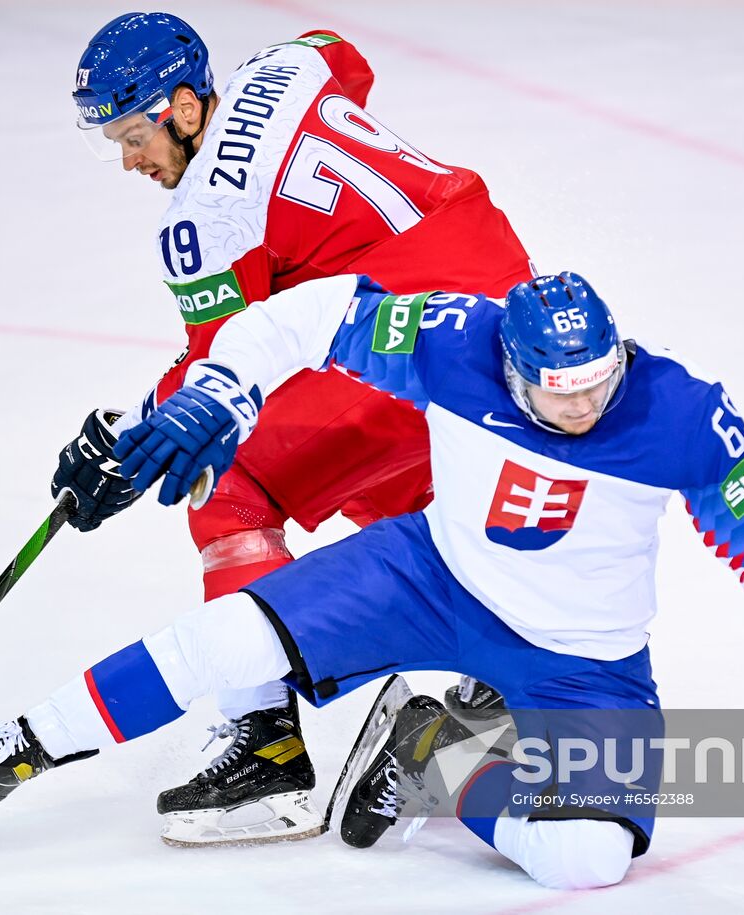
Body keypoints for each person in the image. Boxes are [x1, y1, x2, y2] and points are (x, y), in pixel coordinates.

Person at [0, 272, 744, 889]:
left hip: (583, 660)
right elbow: (312, 317)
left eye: (597, 383)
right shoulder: (460, 342)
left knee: (589, 862)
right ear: (513, 367)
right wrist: (222, 393)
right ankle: (7, 751)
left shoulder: (679, 414)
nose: (582, 406)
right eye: (558, 388)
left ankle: (434, 756)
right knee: (227, 643)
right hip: (424, 576)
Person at [51, 12, 532, 842]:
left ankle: (262, 747)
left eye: (133, 136)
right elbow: (345, 54)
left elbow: (224, 371)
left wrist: (122, 439)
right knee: (408, 490)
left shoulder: (201, 221)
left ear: (184, 109)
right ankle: (508, 686)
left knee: (230, 476)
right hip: (497, 294)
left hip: (399, 333)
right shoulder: (292, 63)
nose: (129, 161)